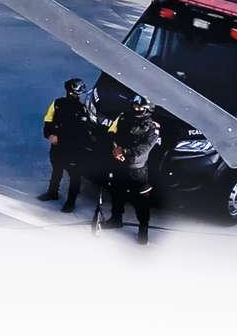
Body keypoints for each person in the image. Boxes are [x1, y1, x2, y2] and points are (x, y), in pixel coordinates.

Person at [103, 96, 160, 245]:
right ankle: (116, 219)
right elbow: (112, 132)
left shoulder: (152, 128)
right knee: (116, 192)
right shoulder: (123, 117)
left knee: (141, 200)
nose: (137, 109)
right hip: (119, 164)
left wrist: (124, 151)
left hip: (137, 169)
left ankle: (143, 229)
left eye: (140, 107)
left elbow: (144, 148)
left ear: (148, 109)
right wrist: (114, 149)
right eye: (135, 106)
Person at [39, 77, 93, 213]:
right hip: (57, 145)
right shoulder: (57, 103)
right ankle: (52, 192)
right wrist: (49, 134)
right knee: (56, 169)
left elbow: (80, 132)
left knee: (74, 175)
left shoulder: (82, 110)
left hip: (73, 148)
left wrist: (58, 138)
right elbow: (48, 119)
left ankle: (71, 202)